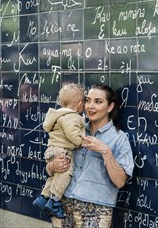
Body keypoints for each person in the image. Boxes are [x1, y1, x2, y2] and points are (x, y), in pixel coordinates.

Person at [46, 84, 134, 228]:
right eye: (88, 100)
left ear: (110, 107)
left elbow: (120, 182)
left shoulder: (119, 138)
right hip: (62, 205)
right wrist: (51, 166)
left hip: (96, 212)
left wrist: (105, 151)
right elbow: (51, 168)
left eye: (98, 102)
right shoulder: (72, 129)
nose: (90, 106)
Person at [33, 84, 86, 219]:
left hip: (52, 150)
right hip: (62, 150)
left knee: (54, 177)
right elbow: (72, 133)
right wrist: (82, 142)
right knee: (66, 174)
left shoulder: (58, 115)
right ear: (80, 104)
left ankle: (44, 196)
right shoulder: (72, 116)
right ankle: (55, 201)